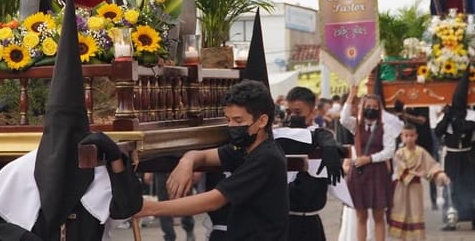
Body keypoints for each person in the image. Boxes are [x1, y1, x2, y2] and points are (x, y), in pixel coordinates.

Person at [137, 80, 289, 240]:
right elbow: (204, 156)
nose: (231, 126)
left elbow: (214, 200)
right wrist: (187, 161)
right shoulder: (244, 148)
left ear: (262, 121)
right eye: (228, 120)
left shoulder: (266, 157)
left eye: (238, 121)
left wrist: (151, 208)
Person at [275, 86, 344, 241]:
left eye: (298, 112)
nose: (292, 116)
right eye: (288, 112)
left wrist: (327, 139)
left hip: (310, 223)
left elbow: (314, 133)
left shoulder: (320, 137)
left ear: (313, 112)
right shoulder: (277, 135)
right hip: (283, 222)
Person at [340, 88, 400, 241]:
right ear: (362, 107)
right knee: (361, 215)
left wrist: (370, 159)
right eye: (368, 106)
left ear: (379, 109)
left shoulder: (386, 127)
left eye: (375, 107)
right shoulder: (356, 125)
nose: (371, 109)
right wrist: (351, 96)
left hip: (378, 172)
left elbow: (389, 151)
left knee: (379, 215)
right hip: (359, 174)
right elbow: (343, 119)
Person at [434, 73, 475, 231]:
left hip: (467, 154)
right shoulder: (448, 115)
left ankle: (474, 219)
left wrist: (457, 121)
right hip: (452, 155)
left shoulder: (472, 115)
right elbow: (438, 131)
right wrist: (447, 117)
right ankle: (451, 220)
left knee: (470, 185)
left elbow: (472, 130)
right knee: (452, 187)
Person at [389, 123, 449, 240]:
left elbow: (431, 165)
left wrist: (440, 174)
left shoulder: (421, 152)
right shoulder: (399, 153)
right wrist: (418, 173)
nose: (409, 138)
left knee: (416, 211)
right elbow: (400, 170)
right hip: (401, 187)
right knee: (401, 210)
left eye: (411, 135)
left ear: (416, 136)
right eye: (406, 136)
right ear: (402, 137)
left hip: (415, 188)